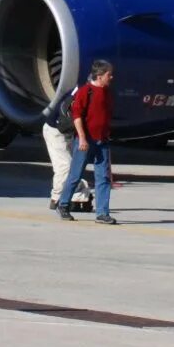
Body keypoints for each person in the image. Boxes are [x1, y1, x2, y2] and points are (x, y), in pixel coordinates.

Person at [57, 60, 117, 224]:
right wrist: (82, 138)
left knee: (103, 177)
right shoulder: (86, 91)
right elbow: (77, 117)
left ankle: (102, 213)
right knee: (75, 175)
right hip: (86, 140)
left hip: (102, 140)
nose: (111, 77)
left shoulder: (108, 93)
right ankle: (63, 204)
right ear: (100, 75)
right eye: (108, 74)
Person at [42, 93, 75, 209]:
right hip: (56, 131)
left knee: (72, 166)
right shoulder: (80, 94)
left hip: (68, 132)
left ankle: (69, 196)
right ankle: (56, 198)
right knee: (65, 165)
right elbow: (65, 120)